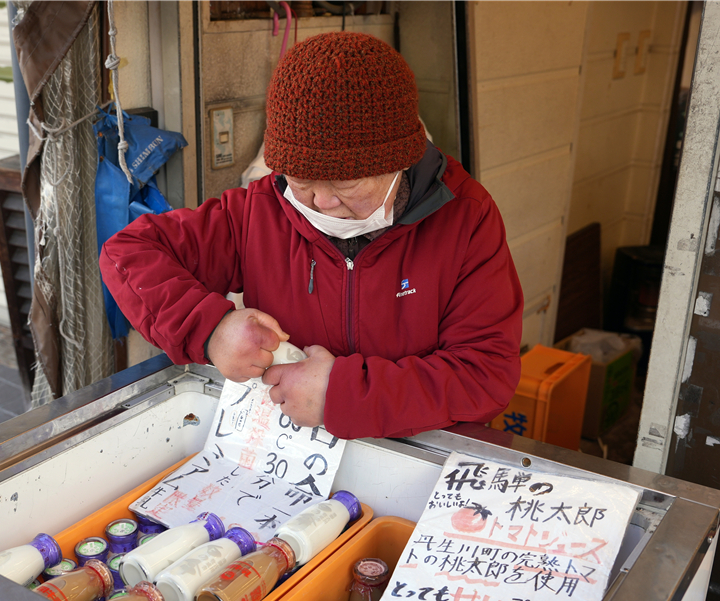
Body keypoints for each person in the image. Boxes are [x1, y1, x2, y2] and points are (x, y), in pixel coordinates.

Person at [100, 32, 523, 440]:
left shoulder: (464, 218)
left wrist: (345, 396)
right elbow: (128, 253)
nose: (322, 202)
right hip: (293, 453)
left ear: (397, 162)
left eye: (346, 183)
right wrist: (210, 331)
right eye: (303, 179)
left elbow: (485, 375)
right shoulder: (259, 211)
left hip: (418, 454)